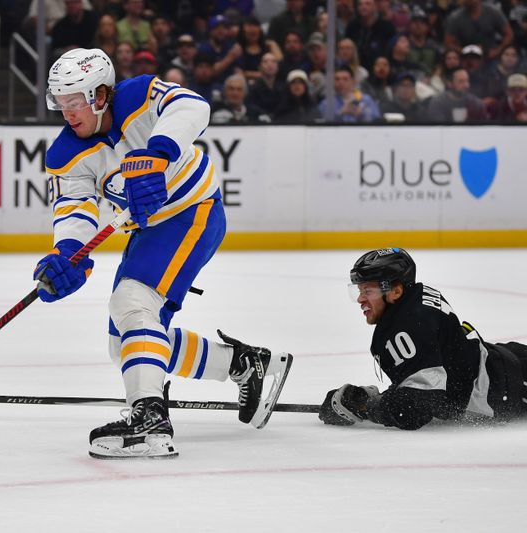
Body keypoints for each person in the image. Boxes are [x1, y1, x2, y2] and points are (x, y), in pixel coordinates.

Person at [39, 48, 293, 459]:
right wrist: (67, 253)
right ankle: (244, 365)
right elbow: (74, 208)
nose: (67, 113)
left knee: (131, 303)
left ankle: (149, 417)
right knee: (122, 342)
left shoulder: (138, 94)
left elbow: (193, 106)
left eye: (75, 102)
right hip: (149, 231)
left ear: (101, 95)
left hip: (192, 212)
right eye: (61, 103)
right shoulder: (65, 154)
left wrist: (158, 153)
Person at [320, 248, 527, 430]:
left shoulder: (407, 327)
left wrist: (365, 407)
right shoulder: (416, 299)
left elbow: (420, 406)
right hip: (505, 362)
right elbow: (428, 376)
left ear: (395, 291)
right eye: (359, 290)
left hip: (508, 387)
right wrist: (369, 399)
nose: (360, 299)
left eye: (368, 290)